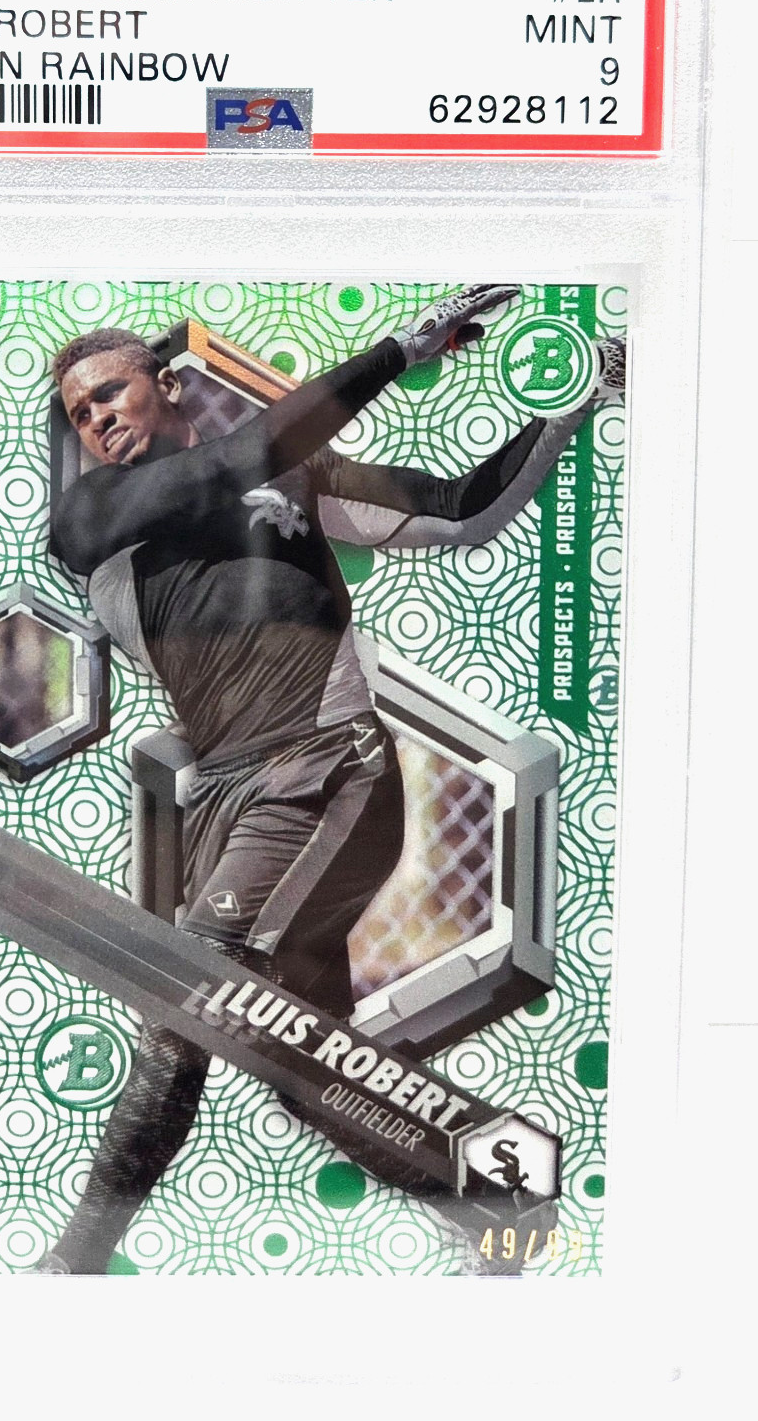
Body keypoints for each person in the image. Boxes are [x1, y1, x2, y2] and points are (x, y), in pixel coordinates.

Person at [37, 287, 623, 1273]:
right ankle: (495, 1205)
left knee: (192, 999)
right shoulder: (91, 518)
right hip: (227, 801)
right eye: (79, 412)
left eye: (110, 393)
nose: (95, 419)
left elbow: (458, 513)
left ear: (167, 385)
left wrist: (574, 400)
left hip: (324, 770)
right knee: (301, 1065)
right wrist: (398, 350)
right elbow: (227, 464)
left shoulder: (290, 475)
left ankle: (72, 1265)